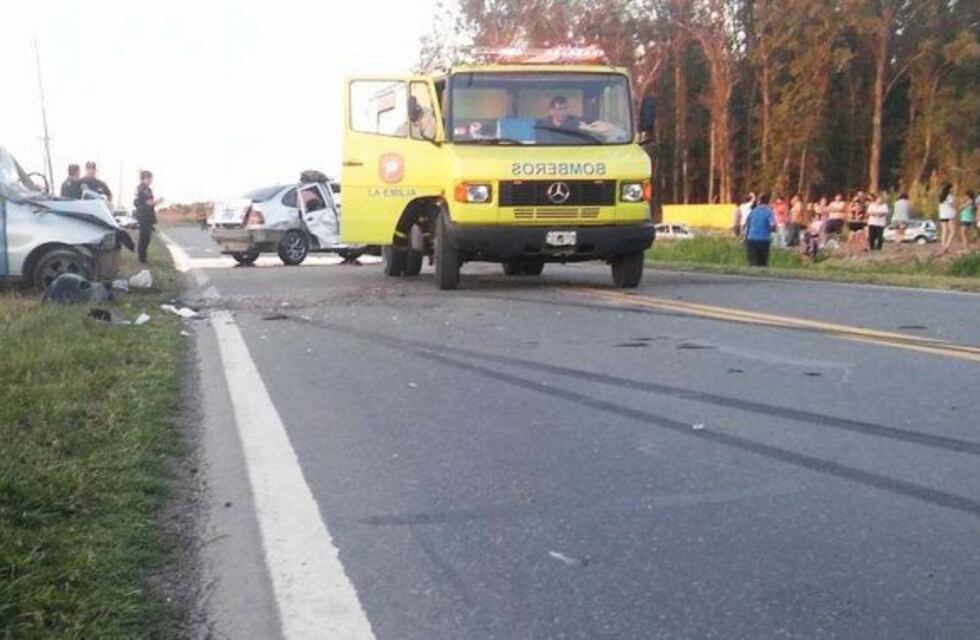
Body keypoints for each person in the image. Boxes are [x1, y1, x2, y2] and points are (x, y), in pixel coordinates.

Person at [134, 170, 162, 264]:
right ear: (144, 178)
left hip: (148, 215)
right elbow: (148, 202)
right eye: (149, 178)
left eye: (151, 178)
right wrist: (158, 201)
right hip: (143, 215)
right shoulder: (142, 188)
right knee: (144, 237)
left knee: (146, 237)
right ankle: (142, 258)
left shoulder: (147, 189)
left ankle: (143, 257)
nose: (150, 180)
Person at [744, 193, 776, 267]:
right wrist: (772, 230)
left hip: (751, 238)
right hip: (763, 239)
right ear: (768, 202)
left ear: (759, 201)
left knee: (752, 262)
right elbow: (772, 226)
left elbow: (747, 224)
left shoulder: (753, 212)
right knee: (762, 263)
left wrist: (745, 237)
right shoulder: (769, 212)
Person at [938, 183, 955, 253]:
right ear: (949, 189)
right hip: (949, 215)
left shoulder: (941, 197)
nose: (953, 189)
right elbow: (953, 205)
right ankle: (947, 246)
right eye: (952, 188)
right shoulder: (950, 196)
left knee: (944, 231)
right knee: (952, 231)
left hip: (942, 215)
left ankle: (943, 246)